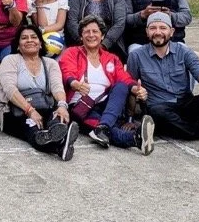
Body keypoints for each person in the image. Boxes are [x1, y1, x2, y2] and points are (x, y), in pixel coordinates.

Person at [127, 13, 199, 157]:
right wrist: (134, 101)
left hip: (185, 104)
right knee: (157, 112)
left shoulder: (183, 51)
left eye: (163, 28)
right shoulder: (136, 56)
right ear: (147, 32)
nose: (158, 32)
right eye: (153, 28)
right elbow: (129, 84)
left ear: (172, 31)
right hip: (160, 109)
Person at [59, 16, 155, 154]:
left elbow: (124, 78)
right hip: (82, 107)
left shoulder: (112, 58)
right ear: (81, 36)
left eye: (95, 31)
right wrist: (75, 84)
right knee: (105, 128)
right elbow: (67, 72)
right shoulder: (71, 53)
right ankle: (135, 138)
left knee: (121, 86)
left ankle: (103, 126)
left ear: (102, 35)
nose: (91, 35)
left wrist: (137, 89)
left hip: (107, 105)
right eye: (87, 32)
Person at [0, 25, 79, 161]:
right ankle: (60, 144)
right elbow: (10, 89)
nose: (29, 40)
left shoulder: (51, 63)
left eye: (34, 37)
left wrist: (63, 106)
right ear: (18, 45)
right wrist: (30, 110)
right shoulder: (10, 60)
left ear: (41, 44)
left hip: (44, 109)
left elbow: (57, 87)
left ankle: (56, 130)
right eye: (24, 38)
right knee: (32, 127)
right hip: (15, 111)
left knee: (58, 116)